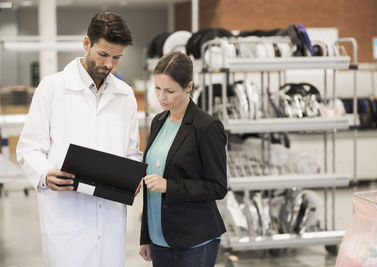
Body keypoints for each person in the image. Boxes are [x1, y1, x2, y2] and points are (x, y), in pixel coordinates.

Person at [16, 12, 142, 267]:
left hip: (109, 215)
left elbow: (132, 151)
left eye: (117, 57)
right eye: (103, 54)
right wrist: (45, 174)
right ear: (87, 44)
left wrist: (134, 176)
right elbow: (29, 148)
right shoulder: (52, 88)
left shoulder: (125, 95)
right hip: (66, 214)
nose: (109, 64)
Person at [138, 51, 227, 267]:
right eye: (157, 88)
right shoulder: (158, 121)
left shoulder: (206, 127)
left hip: (194, 240)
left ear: (189, 86)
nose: (161, 97)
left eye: (170, 91)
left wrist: (170, 186)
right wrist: (146, 236)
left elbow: (217, 187)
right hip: (159, 239)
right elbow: (151, 181)